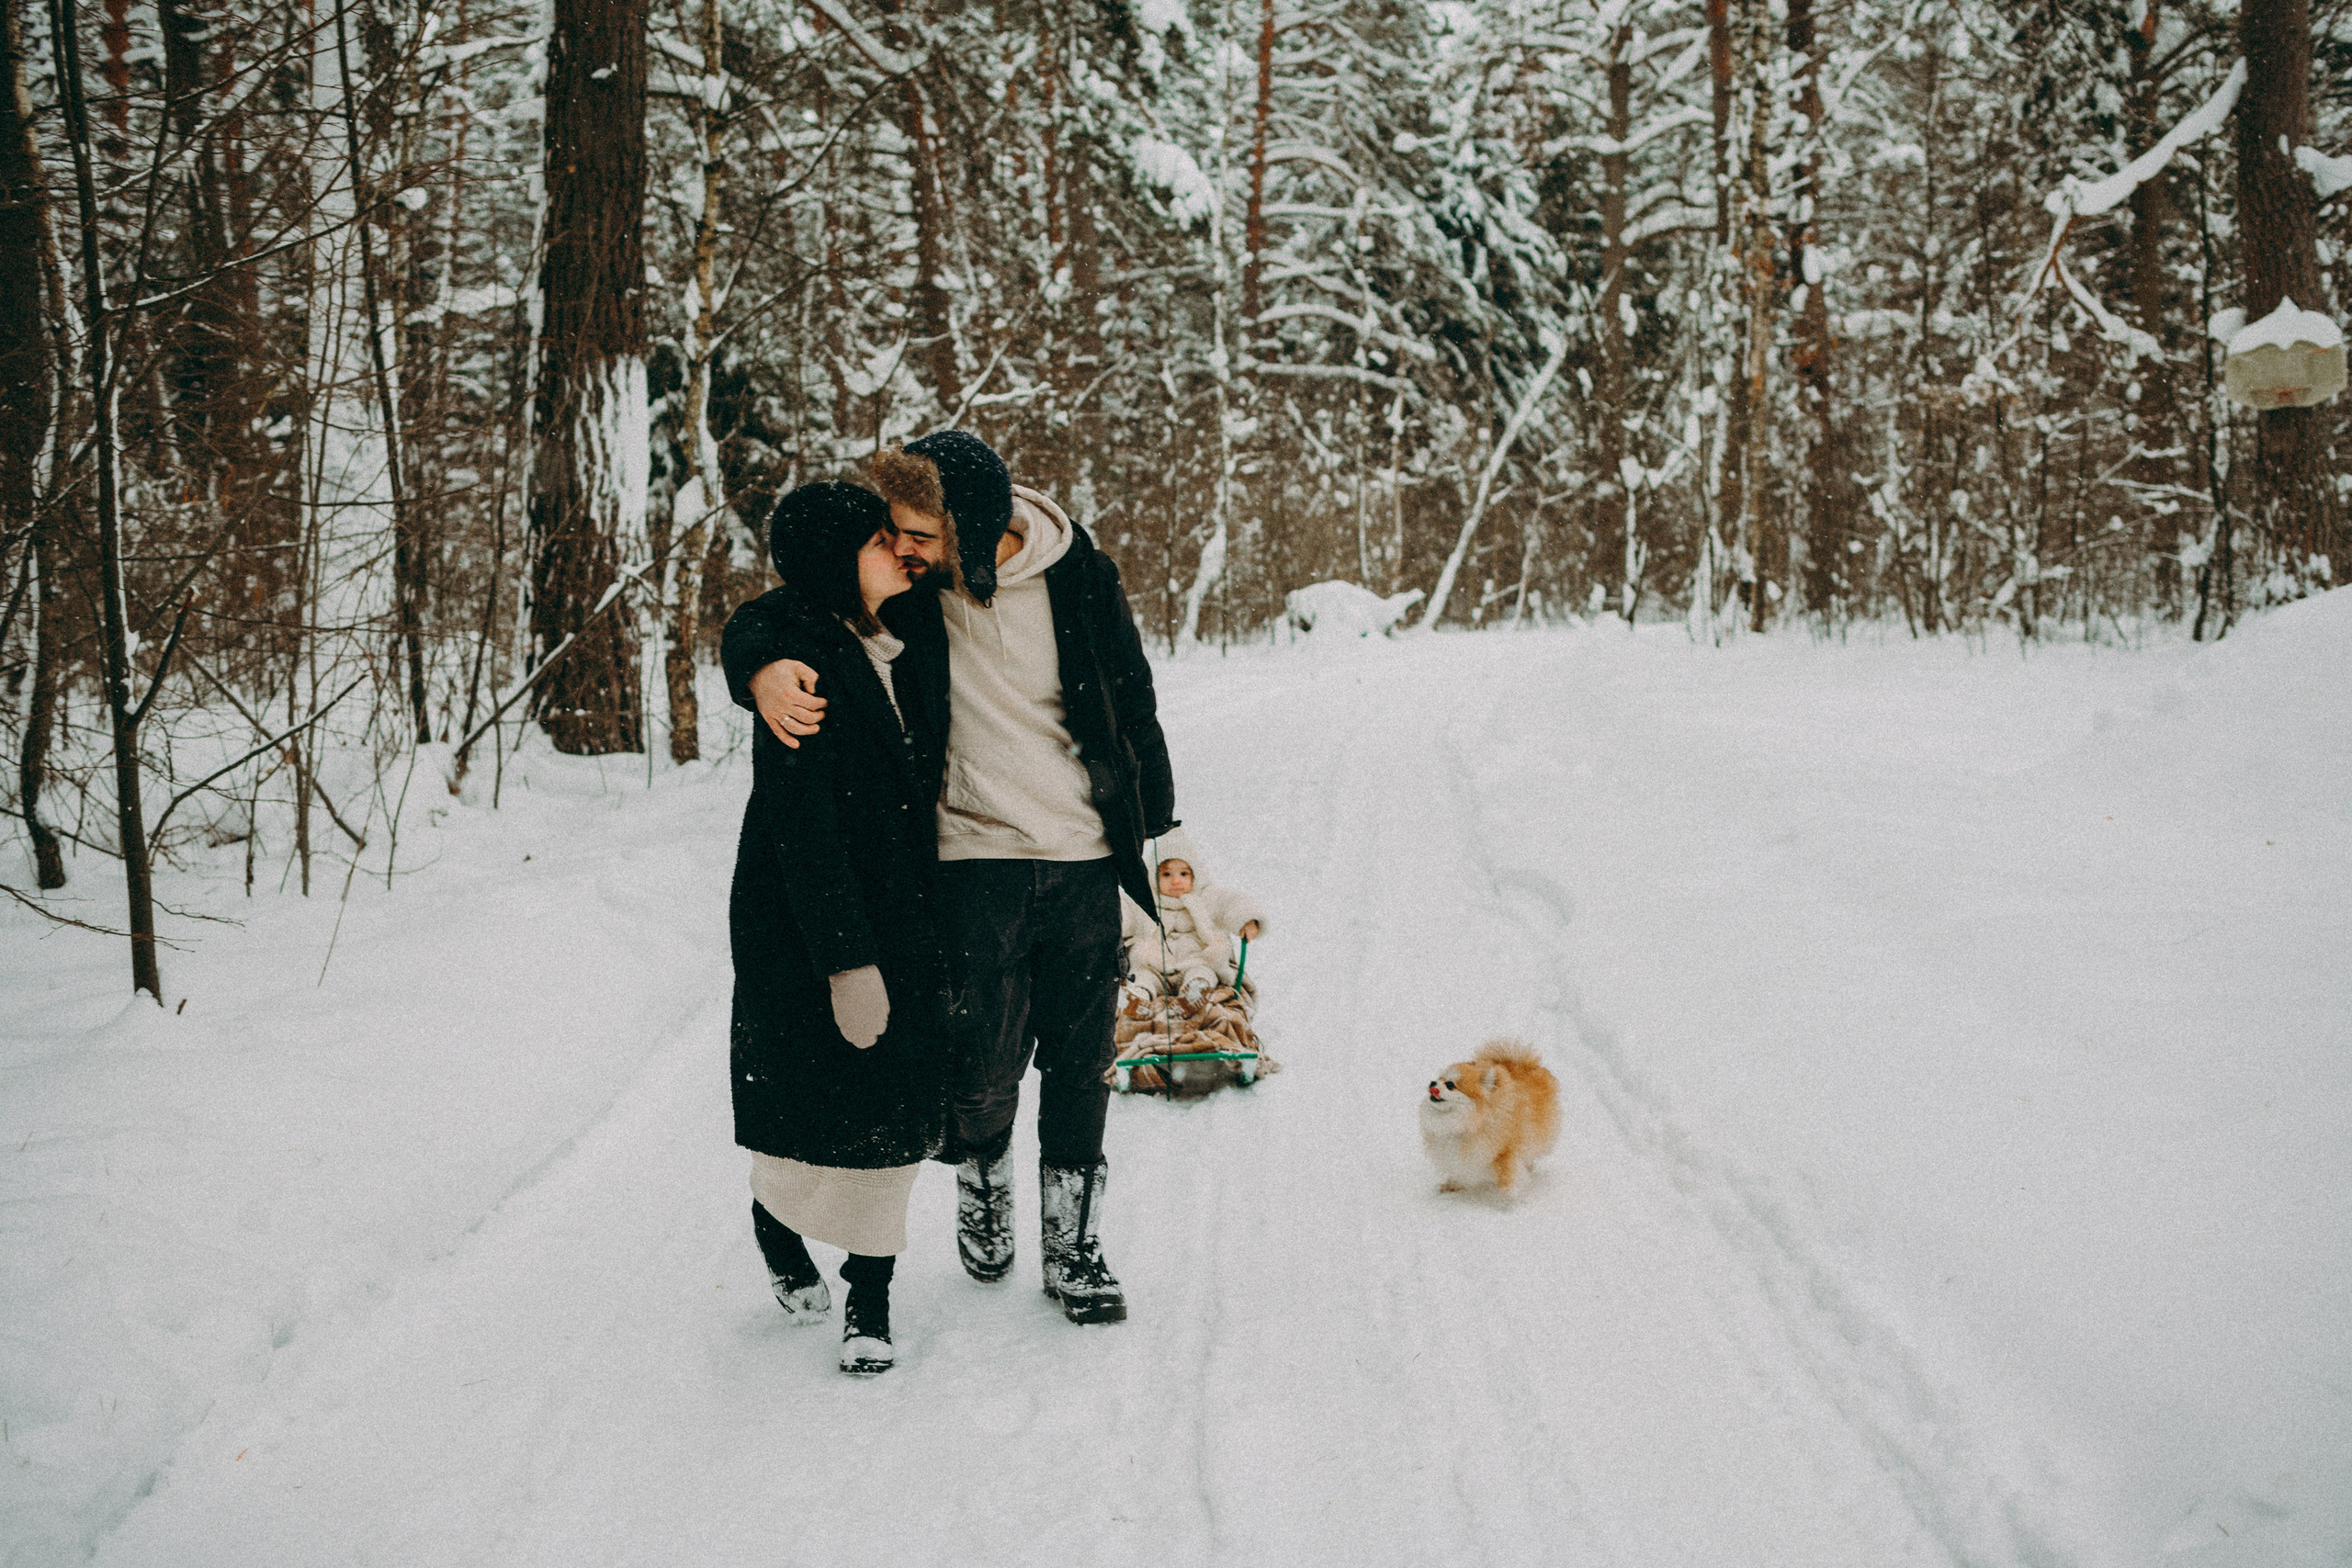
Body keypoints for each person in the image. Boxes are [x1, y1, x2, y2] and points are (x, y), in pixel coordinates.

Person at [730, 430, 1174, 1325]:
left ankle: (1075, 1248)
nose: (904, 551)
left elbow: (1133, 701)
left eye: (918, 536)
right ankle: (981, 1190)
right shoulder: (919, 591)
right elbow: (790, 606)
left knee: (1084, 1064)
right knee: (981, 1063)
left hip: (1084, 857)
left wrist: (1157, 844)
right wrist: (757, 668)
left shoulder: (1080, 577)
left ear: (969, 523)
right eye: (894, 537)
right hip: (969, 865)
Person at [720, 480, 951, 1376]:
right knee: (805, 1114)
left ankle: (871, 1294)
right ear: (832, 560)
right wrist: (847, 962)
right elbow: (801, 827)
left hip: (913, 917)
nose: (901, 553)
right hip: (809, 926)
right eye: (877, 541)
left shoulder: (916, 628)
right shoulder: (800, 663)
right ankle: (774, 1224)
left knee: (891, 1120)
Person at [1121, 828, 1266, 1005]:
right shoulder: (1144, 900)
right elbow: (1123, 911)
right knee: (1143, 977)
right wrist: (1106, 923)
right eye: (1166, 874)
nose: (1176, 881)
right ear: (1153, 876)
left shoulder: (1206, 896)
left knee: (1203, 972)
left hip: (1197, 959)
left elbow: (1231, 902)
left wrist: (1247, 919)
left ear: (1195, 874)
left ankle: (1194, 994)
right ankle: (1139, 998)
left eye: (1183, 874)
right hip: (1154, 965)